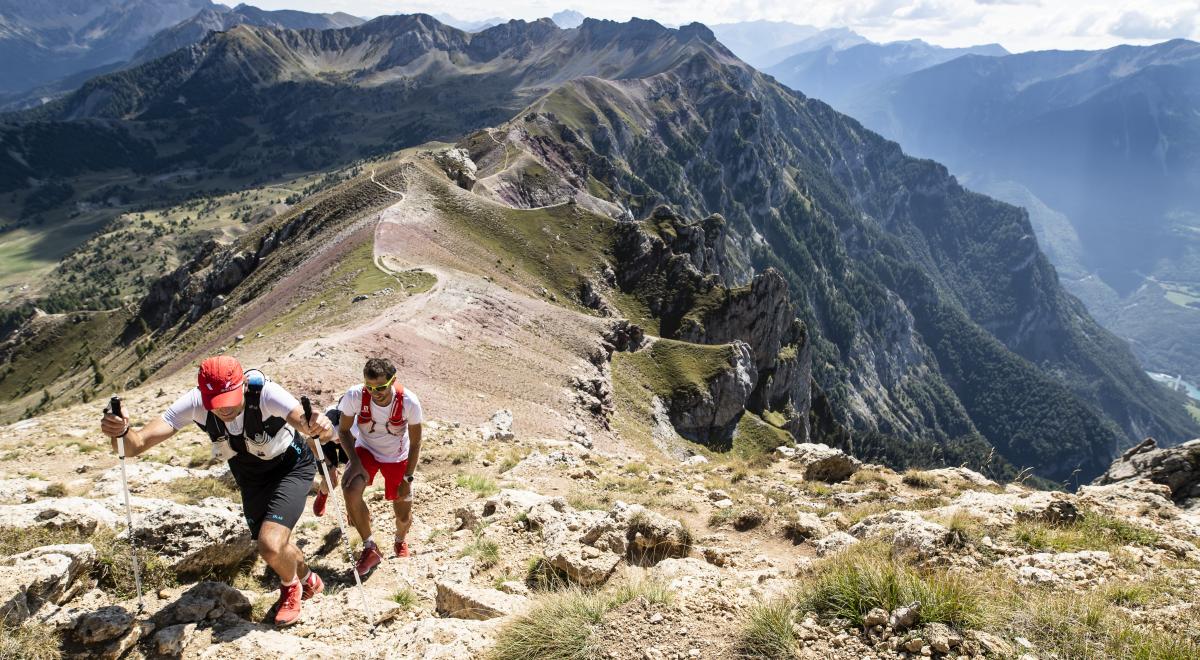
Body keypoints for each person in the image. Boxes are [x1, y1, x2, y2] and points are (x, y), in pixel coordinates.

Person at [99, 356, 334, 626]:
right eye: (215, 402)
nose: (223, 409)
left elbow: (305, 422)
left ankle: (291, 588)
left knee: (269, 545)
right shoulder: (195, 402)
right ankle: (307, 577)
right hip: (250, 477)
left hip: (290, 468)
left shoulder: (266, 392)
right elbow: (134, 446)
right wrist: (122, 430)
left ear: (243, 385)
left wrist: (319, 425)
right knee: (274, 544)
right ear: (202, 394)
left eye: (230, 399)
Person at [335, 357, 423, 578]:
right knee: (350, 489)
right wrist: (354, 462)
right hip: (366, 450)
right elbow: (344, 431)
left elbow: (416, 442)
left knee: (402, 514)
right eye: (370, 387)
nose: (376, 392)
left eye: (382, 387)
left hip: (397, 457)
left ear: (393, 381)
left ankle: (400, 539)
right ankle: (370, 547)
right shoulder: (354, 396)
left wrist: (408, 477)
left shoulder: (409, 402)